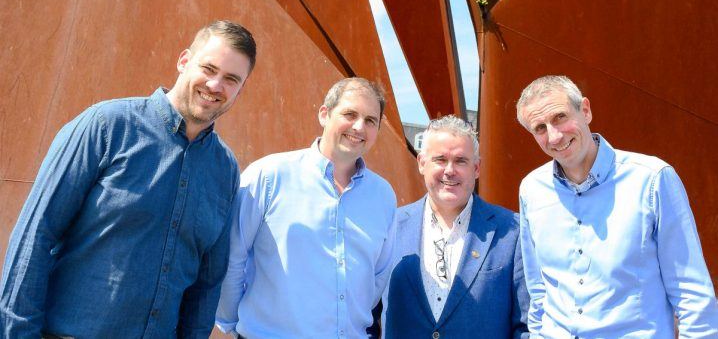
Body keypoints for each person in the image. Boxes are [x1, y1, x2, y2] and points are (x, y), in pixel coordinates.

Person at [0, 20, 256, 338]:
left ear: (240, 90)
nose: (216, 85)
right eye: (209, 68)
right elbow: (36, 235)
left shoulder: (225, 170)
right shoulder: (106, 126)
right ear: (184, 61)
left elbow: (207, 281)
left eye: (231, 79)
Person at [516, 75, 718, 337]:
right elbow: (539, 290)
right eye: (540, 128)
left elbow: (692, 293)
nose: (554, 136)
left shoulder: (652, 180)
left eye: (560, 117)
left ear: (585, 111)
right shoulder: (531, 190)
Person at [215, 77, 397, 338]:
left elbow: (376, 277)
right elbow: (231, 258)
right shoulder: (269, 176)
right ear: (324, 114)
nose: (359, 127)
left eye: (370, 121)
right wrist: (233, 324)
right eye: (350, 114)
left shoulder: (383, 196)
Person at [382, 115, 529, 338]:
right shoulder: (388, 226)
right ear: (422, 163)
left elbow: (526, 325)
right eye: (440, 159)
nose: (450, 170)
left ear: (477, 168)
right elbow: (367, 315)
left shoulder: (511, 231)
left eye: (461, 161)